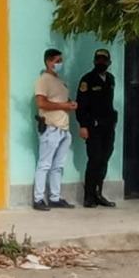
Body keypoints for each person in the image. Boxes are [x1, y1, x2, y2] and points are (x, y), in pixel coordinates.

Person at [33, 49, 78, 211]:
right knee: (44, 164)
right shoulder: (43, 81)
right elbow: (41, 103)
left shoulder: (60, 80)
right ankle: (38, 198)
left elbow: (61, 100)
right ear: (48, 62)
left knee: (58, 166)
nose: (59, 64)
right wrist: (64, 105)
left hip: (64, 129)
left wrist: (70, 104)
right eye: (56, 61)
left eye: (60, 60)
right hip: (51, 128)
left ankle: (55, 197)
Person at [75, 49, 118, 208]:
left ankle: (99, 194)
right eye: (98, 60)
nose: (101, 63)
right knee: (94, 160)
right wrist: (83, 126)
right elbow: (81, 105)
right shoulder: (87, 80)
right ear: (94, 61)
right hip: (93, 127)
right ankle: (89, 196)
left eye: (104, 60)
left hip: (107, 127)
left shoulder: (110, 79)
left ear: (109, 62)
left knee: (104, 160)